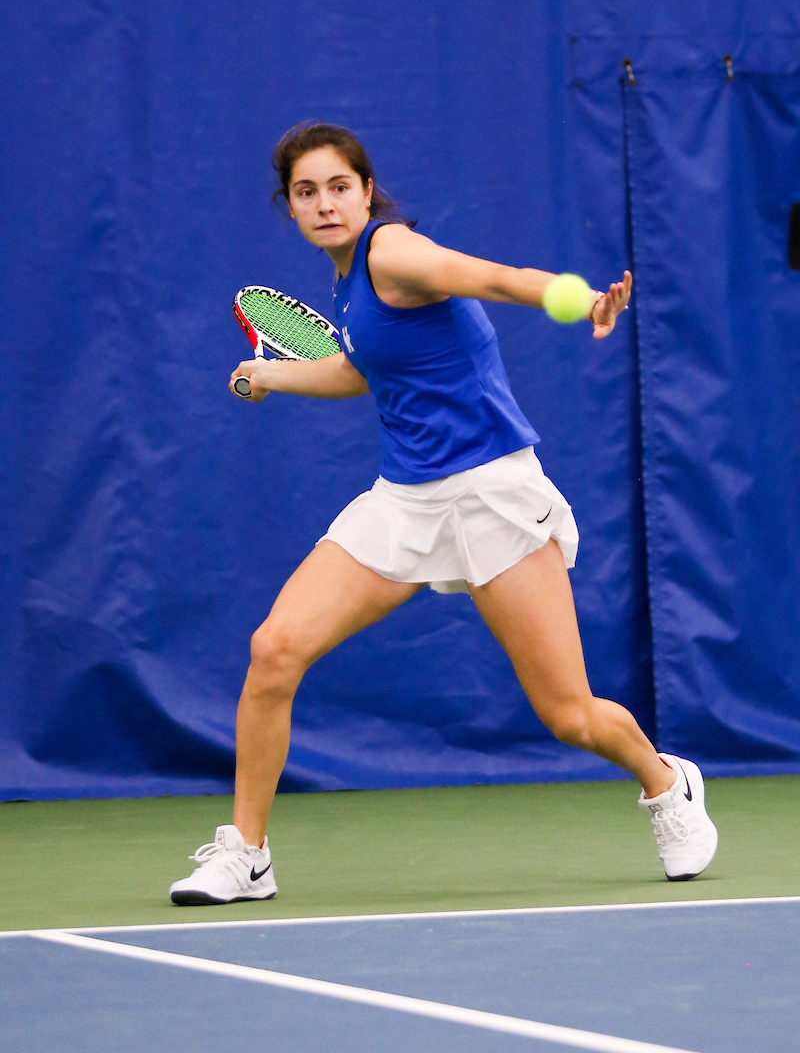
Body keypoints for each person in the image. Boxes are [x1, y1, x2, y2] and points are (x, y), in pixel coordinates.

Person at [169, 122, 717, 905]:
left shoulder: (391, 253)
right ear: (287, 207)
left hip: (493, 494)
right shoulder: (347, 284)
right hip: (405, 502)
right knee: (275, 650)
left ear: (365, 190)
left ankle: (666, 783)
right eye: (305, 192)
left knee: (568, 714)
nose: (324, 203)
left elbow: (488, 278)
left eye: (337, 186)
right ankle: (246, 855)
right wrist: (271, 376)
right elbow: (363, 372)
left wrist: (576, 299)